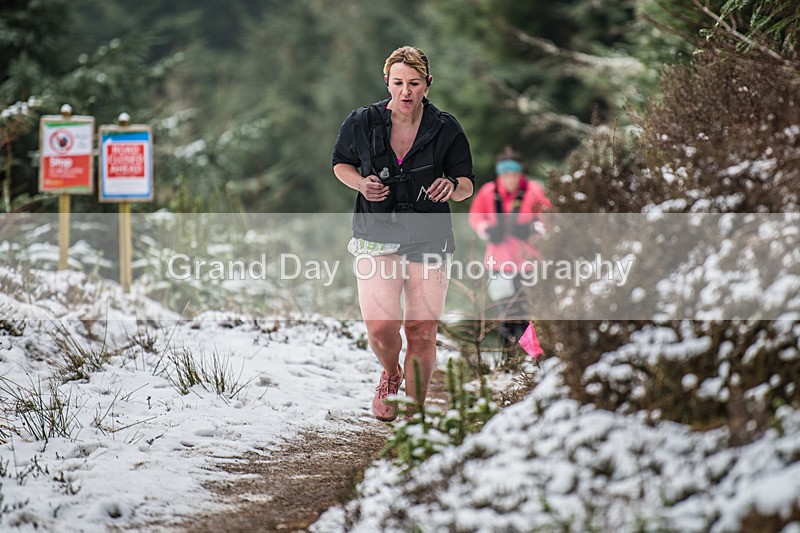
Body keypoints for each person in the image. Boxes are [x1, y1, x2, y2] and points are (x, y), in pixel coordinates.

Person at [332, 45, 475, 422]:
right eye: (398, 83)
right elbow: (340, 165)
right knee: (381, 327)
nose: (406, 92)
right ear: (387, 82)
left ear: (428, 84)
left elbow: (466, 184)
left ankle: (415, 413)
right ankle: (391, 374)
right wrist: (361, 184)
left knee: (421, 329)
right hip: (376, 231)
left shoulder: (446, 128)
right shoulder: (362, 122)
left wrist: (451, 185)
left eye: (414, 83)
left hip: (430, 236)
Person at [468, 145, 551, 349]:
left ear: (521, 172)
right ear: (500, 174)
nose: (510, 178)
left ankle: (534, 356)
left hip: (529, 263)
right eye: (505, 173)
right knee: (505, 313)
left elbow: (550, 219)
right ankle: (508, 357)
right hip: (498, 263)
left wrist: (533, 228)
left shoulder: (534, 191)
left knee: (527, 313)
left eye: (514, 173)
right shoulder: (489, 192)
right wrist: (487, 230)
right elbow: (475, 217)